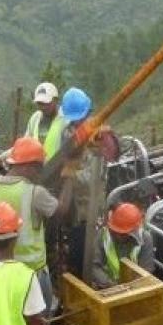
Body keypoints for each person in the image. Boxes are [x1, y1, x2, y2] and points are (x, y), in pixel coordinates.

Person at [0, 137, 72, 313]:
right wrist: (69, 178)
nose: (39, 173)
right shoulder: (34, 193)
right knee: (38, 322)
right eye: (38, 168)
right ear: (28, 166)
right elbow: (62, 210)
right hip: (32, 274)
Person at [56, 87, 119, 277]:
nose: (76, 124)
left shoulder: (98, 137)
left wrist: (68, 173)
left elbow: (91, 176)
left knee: (90, 251)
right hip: (74, 203)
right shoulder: (68, 132)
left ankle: (89, 279)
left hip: (92, 205)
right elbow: (64, 157)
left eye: (79, 119)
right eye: (73, 120)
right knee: (75, 248)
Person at [88, 203, 155, 290]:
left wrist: (130, 289)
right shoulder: (103, 235)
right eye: (116, 232)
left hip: (135, 290)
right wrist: (111, 285)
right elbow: (94, 267)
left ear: (133, 231)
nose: (118, 236)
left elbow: (146, 271)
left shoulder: (145, 239)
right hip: (107, 288)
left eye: (123, 234)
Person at [23, 82, 66, 161]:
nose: (43, 107)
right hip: (36, 168)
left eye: (46, 103)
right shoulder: (35, 118)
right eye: (39, 103)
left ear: (55, 100)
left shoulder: (65, 119)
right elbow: (25, 143)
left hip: (57, 169)